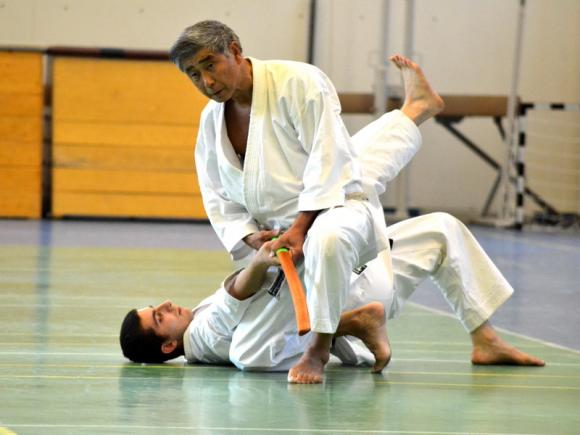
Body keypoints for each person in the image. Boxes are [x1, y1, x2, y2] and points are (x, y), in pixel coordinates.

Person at [166, 20, 445, 384]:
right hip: (284, 231)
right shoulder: (210, 122)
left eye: (210, 65)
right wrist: (251, 237)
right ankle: (417, 108)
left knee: (338, 208)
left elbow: (328, 160)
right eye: (193, 74)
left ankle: (320, 347)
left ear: (234, 50)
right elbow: (216, 196)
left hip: (333, 204)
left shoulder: (297, 82)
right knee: (360, 158)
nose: (206, 81)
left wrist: (300, 227)